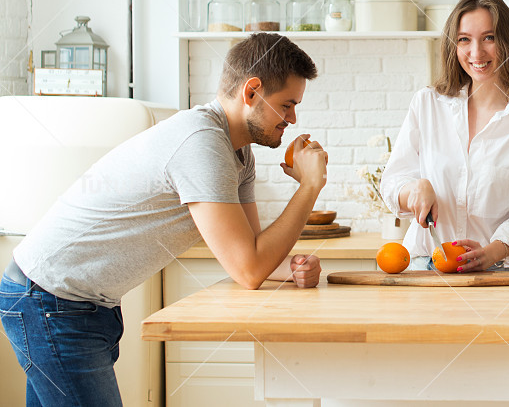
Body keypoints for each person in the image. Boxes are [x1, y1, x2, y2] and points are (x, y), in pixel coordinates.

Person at [0, 33, 328, 406]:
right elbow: (249, 269)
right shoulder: (200, 141)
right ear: (251, 92)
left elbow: (252, 251)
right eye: (287, 104)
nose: (293, 118)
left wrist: (291, 268)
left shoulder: (238, 155)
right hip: (50, 300)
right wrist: (310, 186)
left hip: (76, 302)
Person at [380, 0, 509, 272]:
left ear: (508, 42)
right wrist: (415, 188)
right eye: (464, 39)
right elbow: (392, 182)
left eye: (489, 38)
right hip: (425, 267)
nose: (476, 53)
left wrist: (491, 253)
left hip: (500, 272)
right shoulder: (428, 104)